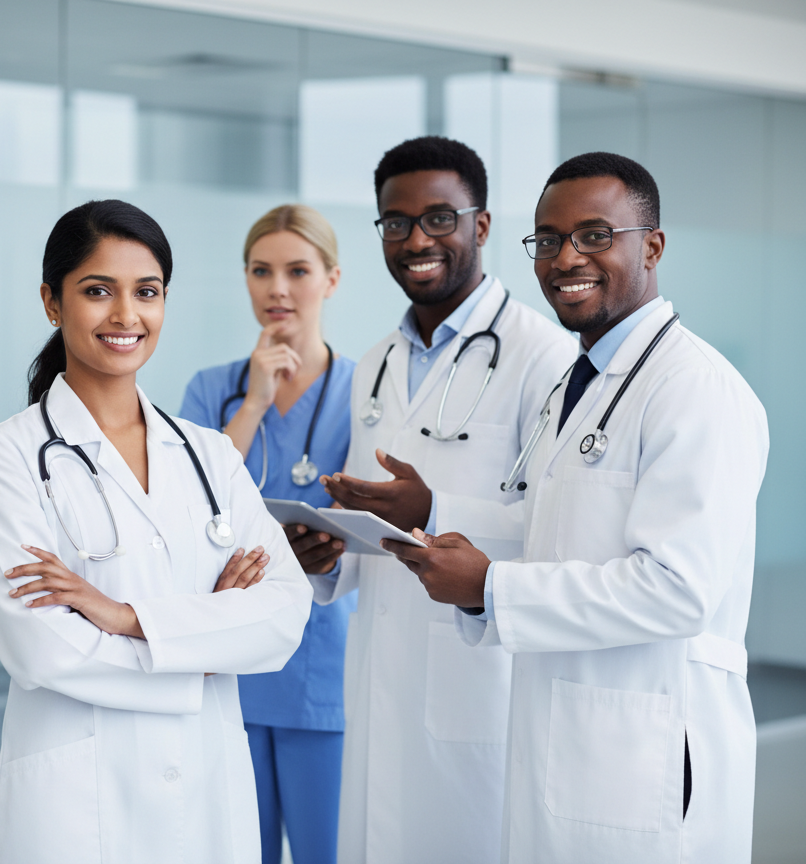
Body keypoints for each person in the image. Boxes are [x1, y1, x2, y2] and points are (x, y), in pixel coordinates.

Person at [383, 153, 768, 864]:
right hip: (568, 738)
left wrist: (490, 586)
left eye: (594, 236)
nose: (566, 259)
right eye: (549, 240)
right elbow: (557, 530)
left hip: (647, 745)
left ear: (651, 246)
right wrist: (435, 513)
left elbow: (678, 589)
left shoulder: (696, 391)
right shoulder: (584, 381)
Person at [0, 199, 313, 864]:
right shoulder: (9, 455)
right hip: (80, 803)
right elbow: (40, 648)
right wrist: (208, 641)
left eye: (146, 292)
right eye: (98, 291)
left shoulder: (210, 455)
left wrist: (126, 618)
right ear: (52, 301)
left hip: (209, 788)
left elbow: (283, 616)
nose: (126, 316)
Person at [308, 136, 576, 863]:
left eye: (438, 219)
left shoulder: (543, 357)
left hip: (479, 674)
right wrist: (329, 552)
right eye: (395, 223)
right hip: (380, 671)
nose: (415, 240)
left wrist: (435, 514)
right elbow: (377, 530)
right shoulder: (376, 363)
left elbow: (561, 532)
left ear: (480, 226)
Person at [180, 204, 356, 864]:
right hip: (232, 665)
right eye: (261, 271)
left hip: (324, 666)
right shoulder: (212, 391)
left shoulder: (364, 390)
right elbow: (187, 509)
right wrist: (253, 403)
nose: (277, 288)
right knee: (235, 850)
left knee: (324, 851)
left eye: (296, 270)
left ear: (331, 280)